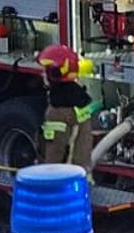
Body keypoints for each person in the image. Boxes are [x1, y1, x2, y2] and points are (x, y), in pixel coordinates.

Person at [38, 44, 98, 174]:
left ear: (54, 73)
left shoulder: (57, 111)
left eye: (45, 70)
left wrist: (46, 174)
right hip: (80, 174)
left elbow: (55, 151)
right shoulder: (80, 101)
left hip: (62, 177)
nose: (42, 74)